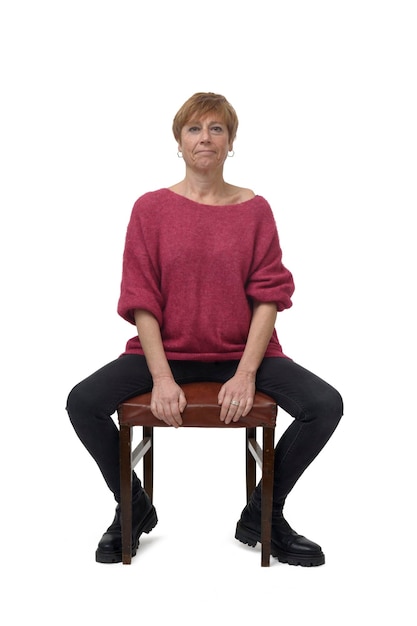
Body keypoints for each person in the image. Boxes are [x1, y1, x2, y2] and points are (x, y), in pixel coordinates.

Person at [67, 92, 343, 566]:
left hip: (243, 352)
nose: (205, 138)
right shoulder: (150, 209)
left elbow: (268, 296)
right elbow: (142, 300)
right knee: (83, 402)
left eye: (217, 128)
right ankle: (131, 506)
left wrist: (246, 373)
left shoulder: (255, 210)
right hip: (164, 352)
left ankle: (265, 515)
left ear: (231, 141)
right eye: (194, 129)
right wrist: (160, 378)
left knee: (324, 405)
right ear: (178, 141)